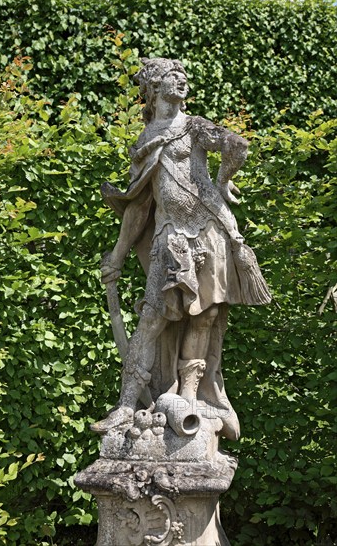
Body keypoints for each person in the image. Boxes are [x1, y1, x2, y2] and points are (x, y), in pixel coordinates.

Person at [91, 58, 271, 439]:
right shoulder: (144, 141)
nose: (182, 81)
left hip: (209, 230)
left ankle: (190, 396)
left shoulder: (193, 126)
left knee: (203, 317)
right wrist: (119, 255)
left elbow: (236, 145)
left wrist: (222, 182)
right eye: (173, 76)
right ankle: (126, 405)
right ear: (153, 87)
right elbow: (139, 206)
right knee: (153, 317)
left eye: (184, 76)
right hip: (169, 237)